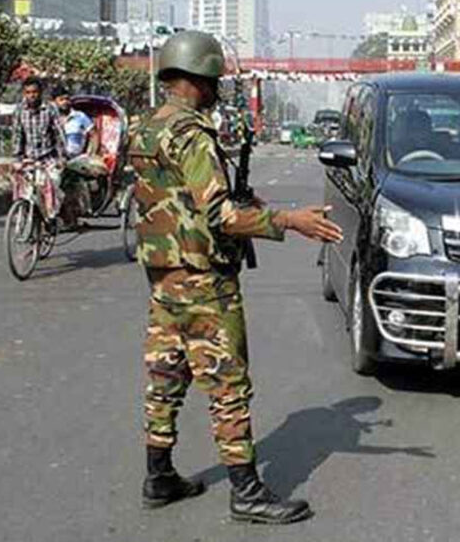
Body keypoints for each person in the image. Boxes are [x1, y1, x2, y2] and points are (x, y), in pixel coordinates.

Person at [129, 30, 344, 524]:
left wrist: (249, 204)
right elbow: (220, 217)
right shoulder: (192, 134)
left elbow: (174, 202)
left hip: (164, 277)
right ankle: (247, 491)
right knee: (228, 385)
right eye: (214, 80)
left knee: (165, 376)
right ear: (200, 79)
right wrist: (290, 221)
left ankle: (158, 474)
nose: (216, 89)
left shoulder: (146, 128)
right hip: (205, 281)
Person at [13, 77, 67, 221]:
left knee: (53, 184)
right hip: (29, 158)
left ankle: (51, 218)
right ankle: (26, 215)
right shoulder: (19, 110)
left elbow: (59, 134)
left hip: (49, 158)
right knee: (23, 188)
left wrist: (62, 157)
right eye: (28, 92)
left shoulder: (50, 109)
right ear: (24, 94)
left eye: (35, 92)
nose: (32, 95)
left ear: (40, 93)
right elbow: (18, 135)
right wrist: (17, 158)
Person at [53, 87, 95, 159]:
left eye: (67, 99)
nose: (65, 102)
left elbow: (94, 134)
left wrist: (91, 154)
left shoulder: (80, 116)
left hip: (77, 160)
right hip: (57, 160)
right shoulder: (52, 118)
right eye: (61, 100)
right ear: (54, 102)